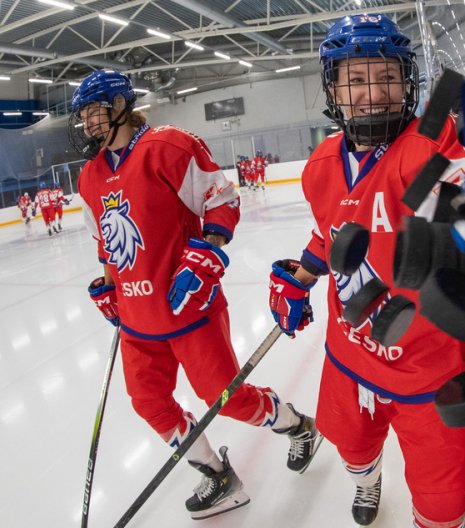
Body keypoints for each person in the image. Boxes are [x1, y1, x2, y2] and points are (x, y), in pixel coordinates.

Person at [267, 15, 465, 528]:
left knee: (441, 505)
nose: (373, 94)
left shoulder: (427, 147)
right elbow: (329, 232)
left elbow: (463, 214)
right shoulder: (320, 163)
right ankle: (368, 480)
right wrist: (299, 277)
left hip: (426, 372)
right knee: (352, 447)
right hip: (347, 355)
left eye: (385, 76)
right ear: (332, 86)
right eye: (356, 80)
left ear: (407, 82)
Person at [68, 69, 321, 520]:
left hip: (189, 307)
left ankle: (299, 426)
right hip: (136, 319)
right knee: (149, 402)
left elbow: (222, 200)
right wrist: (110, 285)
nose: (88, 123)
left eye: (95, 111)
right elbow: (106, 242)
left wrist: (209, 251)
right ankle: (217, 475)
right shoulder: (89, 177)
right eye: (83, 115)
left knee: (230, 400)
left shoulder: (168, 146)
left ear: (121, 106)